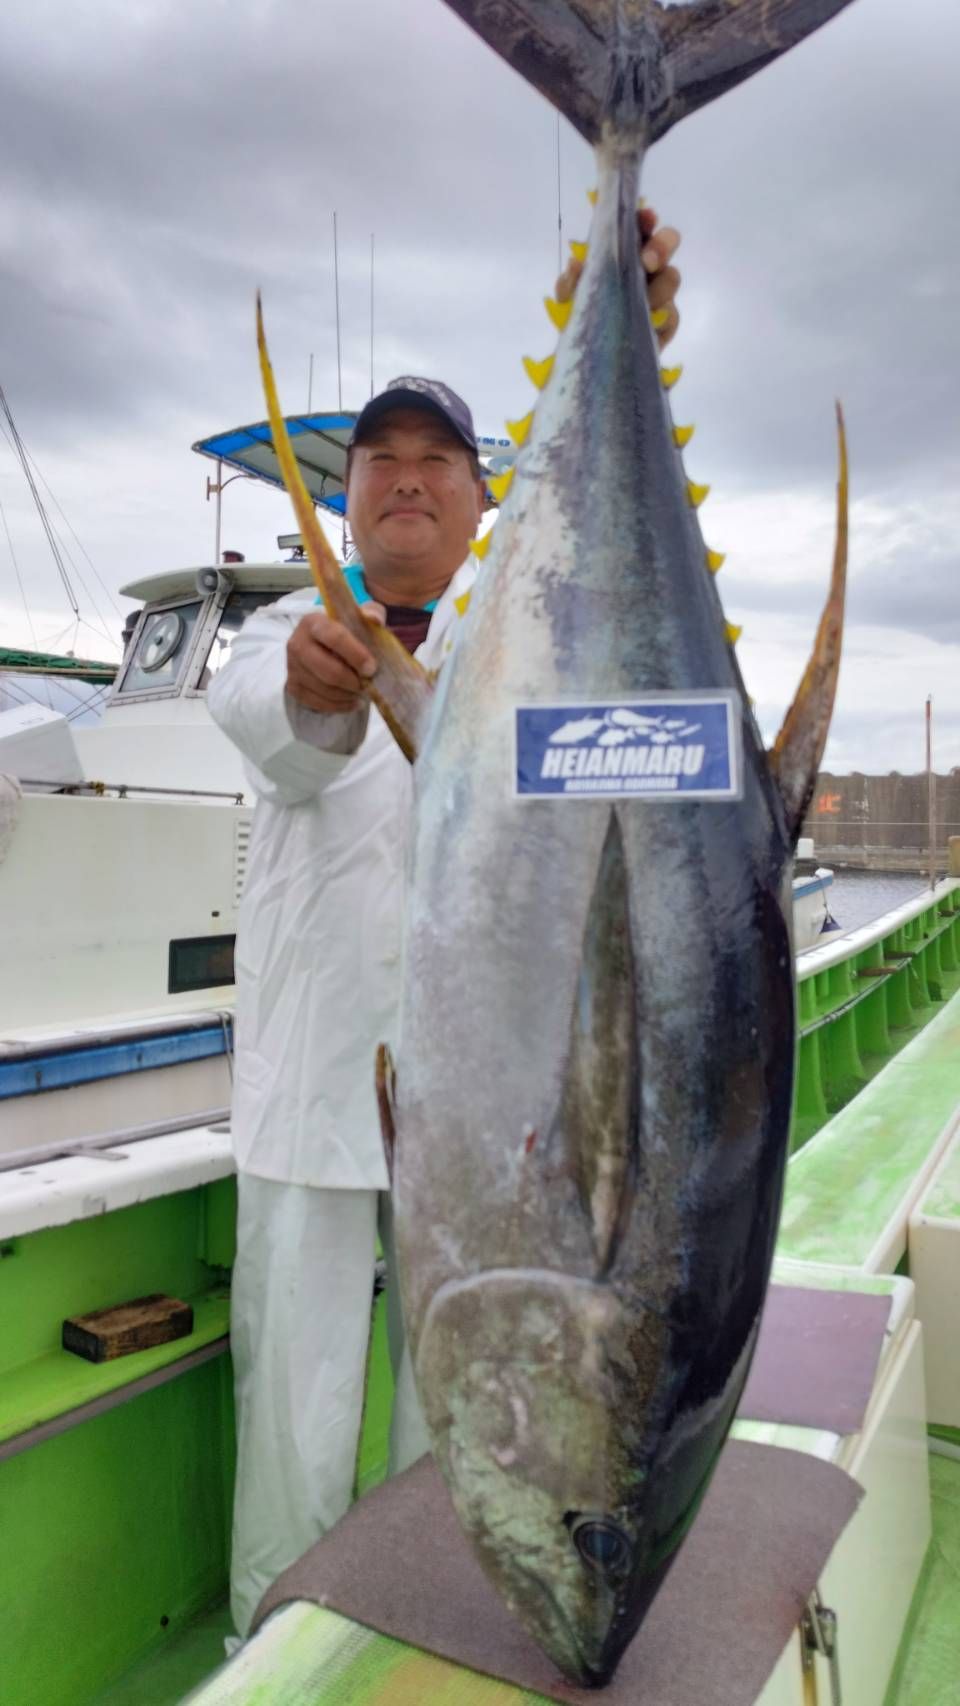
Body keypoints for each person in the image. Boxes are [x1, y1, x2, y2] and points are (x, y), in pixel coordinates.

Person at [207, 208, 682, 1638]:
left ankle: (449, 1647)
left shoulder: (531, 648)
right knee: (289, 1430)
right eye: (382, 461)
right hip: (310, 1110)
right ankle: (273, 1644)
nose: (407, 478)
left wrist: (633, 341)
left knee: (467, 1427)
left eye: (438, 460)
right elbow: (285, 733)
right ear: (350, 500)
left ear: (482, 498)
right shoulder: (279, 632)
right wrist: (323, 685)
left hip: (488, 1132)